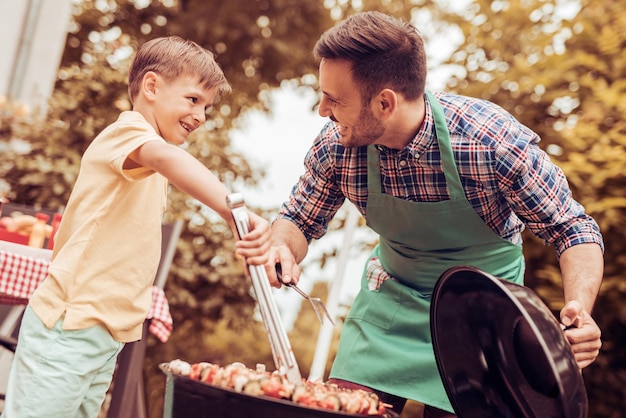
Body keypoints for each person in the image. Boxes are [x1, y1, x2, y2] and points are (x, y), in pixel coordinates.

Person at [266, 11, 604, 417]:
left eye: (334, 99)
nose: (322, 110)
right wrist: (282, 246)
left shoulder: (489, 142)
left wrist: (579, 310)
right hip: (389, 305)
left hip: (481, 317)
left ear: (385, 102)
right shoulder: (337, 147)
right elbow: (299, 220)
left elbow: (572, 229)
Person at [2, 36, 272, 418]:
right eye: (193, 100)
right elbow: (167, 158)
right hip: (70, 325)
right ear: (151, 86)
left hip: (104, 333)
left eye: (207, 107)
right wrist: (231, 211)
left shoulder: (147, 156)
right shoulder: (128, 133)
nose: (201, 116)